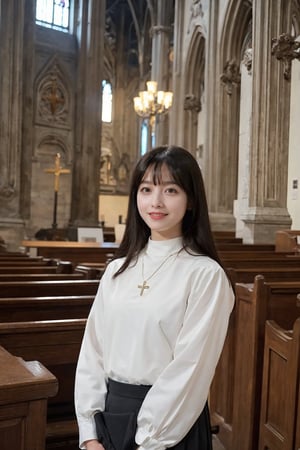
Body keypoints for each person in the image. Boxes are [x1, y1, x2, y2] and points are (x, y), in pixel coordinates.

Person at [74, 145, 235, 450]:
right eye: (146, 189)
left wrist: (148, 440)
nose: (156, 202)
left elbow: (190, 370)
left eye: (171, 190)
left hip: (170, 426)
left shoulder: (205, 275)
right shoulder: (116, 271)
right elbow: (92, 353)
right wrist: (89, 431)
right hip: (109, 419)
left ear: (190, 200)